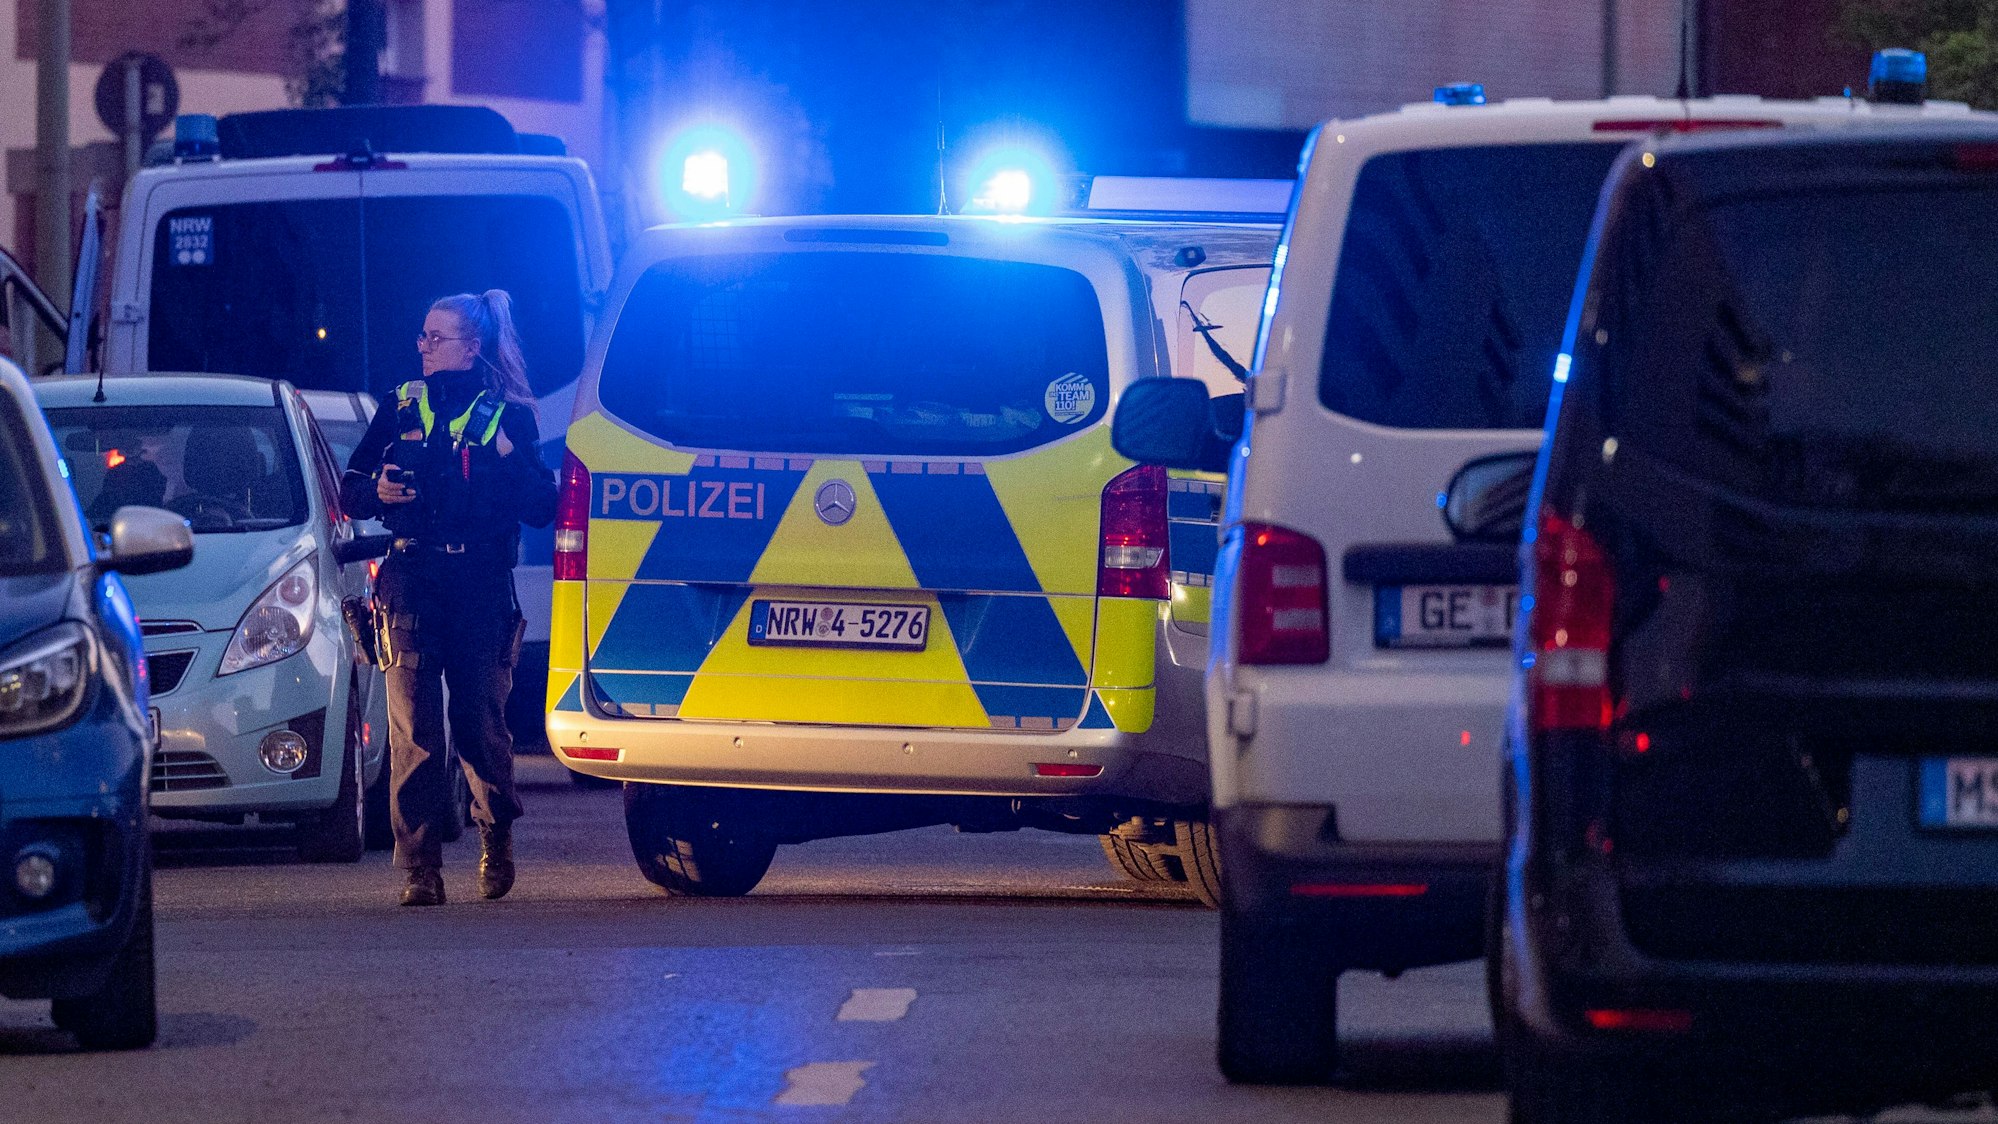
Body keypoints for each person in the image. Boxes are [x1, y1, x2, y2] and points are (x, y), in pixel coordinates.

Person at [341, 290, 557, 906]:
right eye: (422, 337)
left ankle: (496, 834)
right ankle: (420, 867)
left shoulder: (508, 415)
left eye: (437, 338)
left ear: (471, 347)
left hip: (481, 583)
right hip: (410, 576)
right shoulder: (401, 404)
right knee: (413, 724)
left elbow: (542, 507)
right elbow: (352, 488)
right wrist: (378, 491)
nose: (424, 348)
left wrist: (512, 460)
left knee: (478, 720)